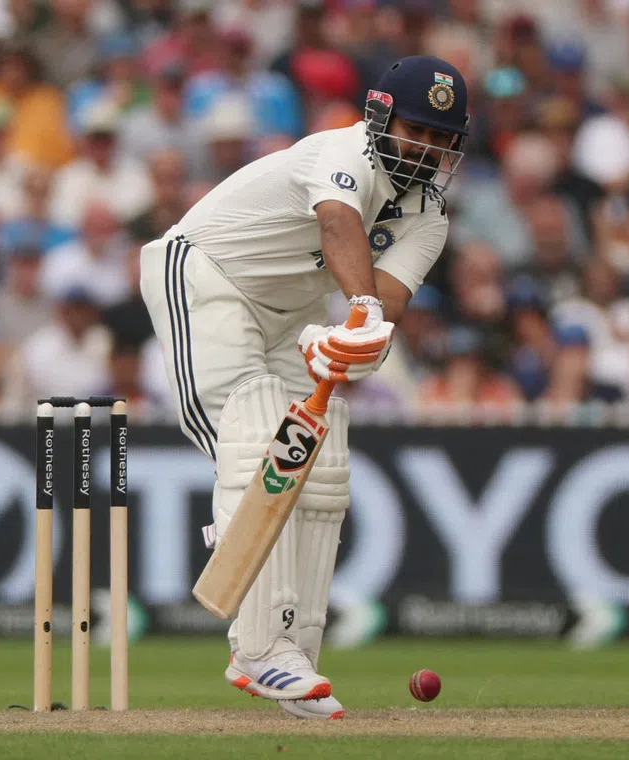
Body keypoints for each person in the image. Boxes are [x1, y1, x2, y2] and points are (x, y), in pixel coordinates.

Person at [139, 55, 469, 720]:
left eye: (441, 137)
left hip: (288, 317)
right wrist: (362, 309)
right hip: (207, 276)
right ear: (381, 117)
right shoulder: (339, 151)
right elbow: (338, 225)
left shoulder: (429, 215)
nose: (426, 147)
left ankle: (292, 651)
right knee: (257, 441)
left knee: (316, 458)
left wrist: (359, 336)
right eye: (416, 129)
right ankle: (257, 648)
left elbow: (390, 300)